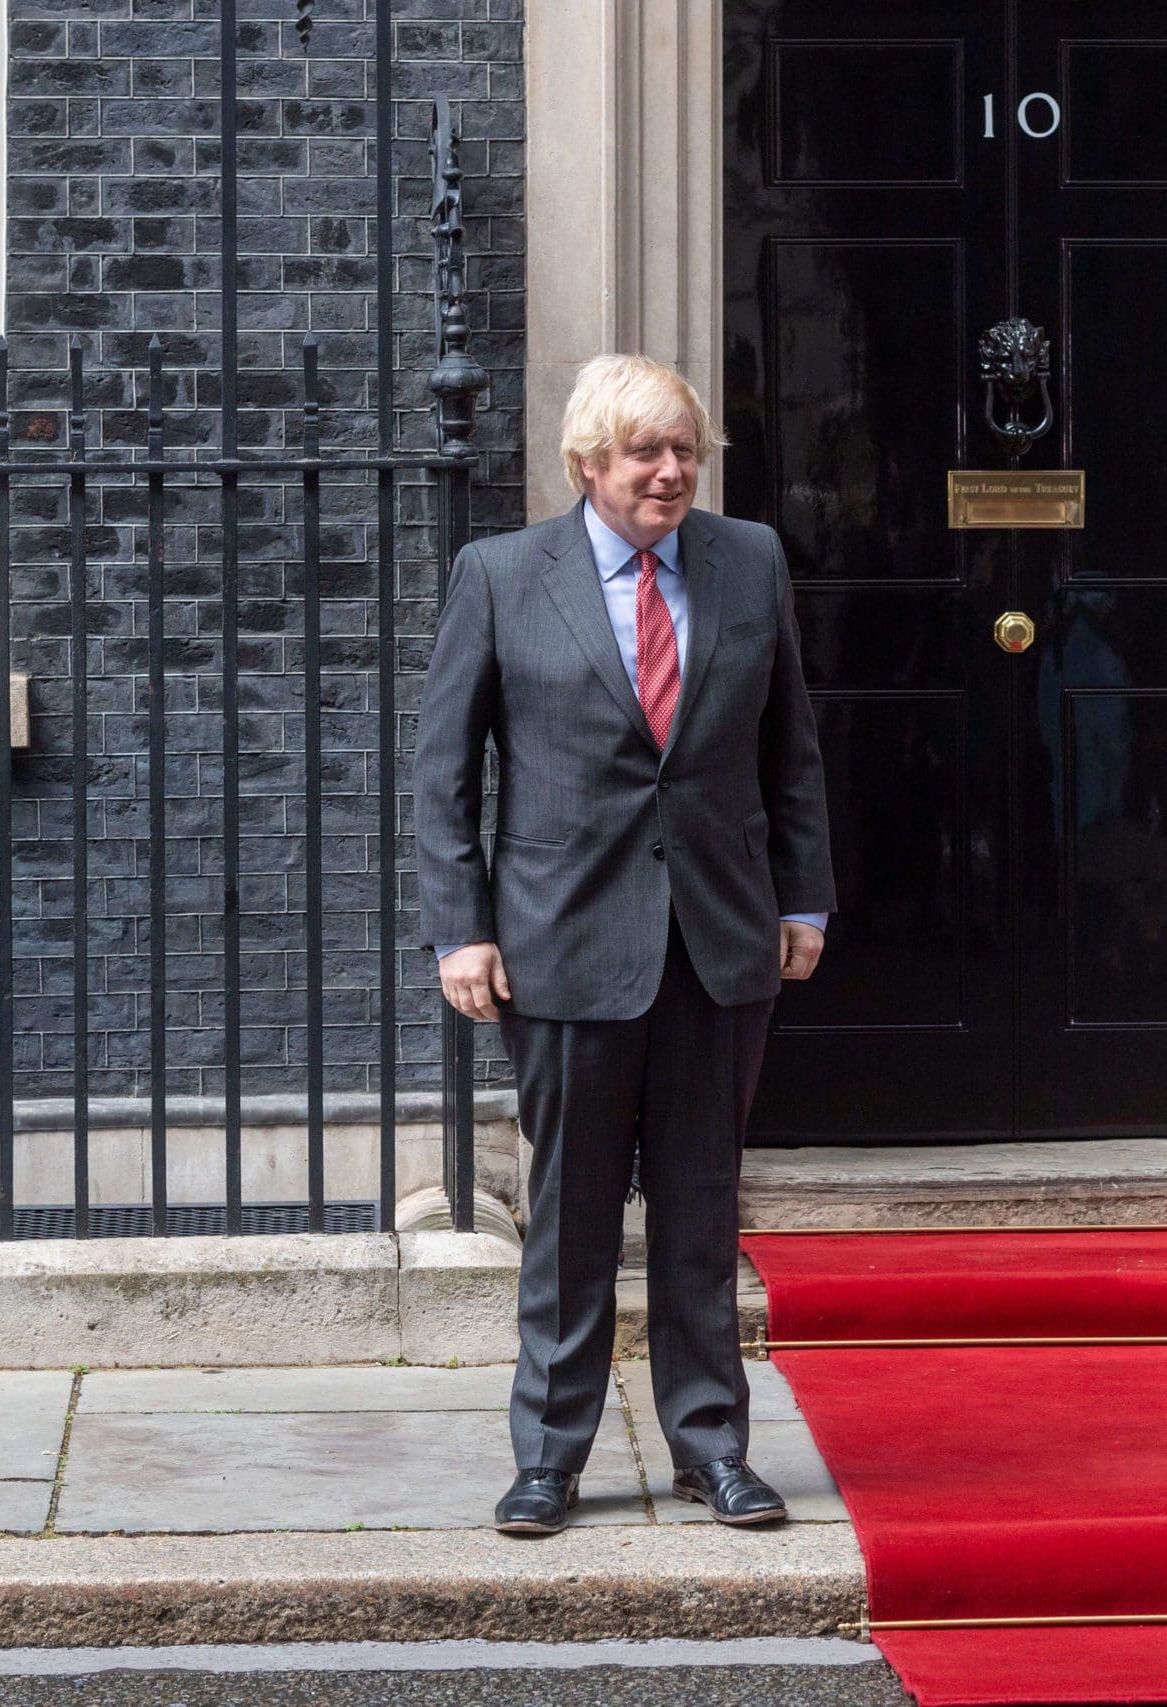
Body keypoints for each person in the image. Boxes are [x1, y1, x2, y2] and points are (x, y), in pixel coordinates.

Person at [415, 353, 835, 1534]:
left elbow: (787, 749)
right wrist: (462, 931)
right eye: (646, 453)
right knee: (571, 1220)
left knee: (701, 1211)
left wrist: (803, 904)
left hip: (718, 945)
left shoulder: (746, 561)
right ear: (587, 464)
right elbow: (442, 774)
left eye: (684, 451)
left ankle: (712, 1448)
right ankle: (550, 1454)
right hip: (561, 947)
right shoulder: (500, 576)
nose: (670, 472)